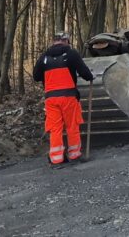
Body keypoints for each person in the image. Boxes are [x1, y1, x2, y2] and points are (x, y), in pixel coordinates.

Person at [33, 31, 94, 167]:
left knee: (55, 128)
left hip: (51, 99)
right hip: (68, 97)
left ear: (54, 41)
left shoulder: (44, 57)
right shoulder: (71, 54)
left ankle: (56, 159)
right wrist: (90, 77)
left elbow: (36, 76)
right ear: (66, 41)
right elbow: (84, 72)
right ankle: (74, 154)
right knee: (72, 126)